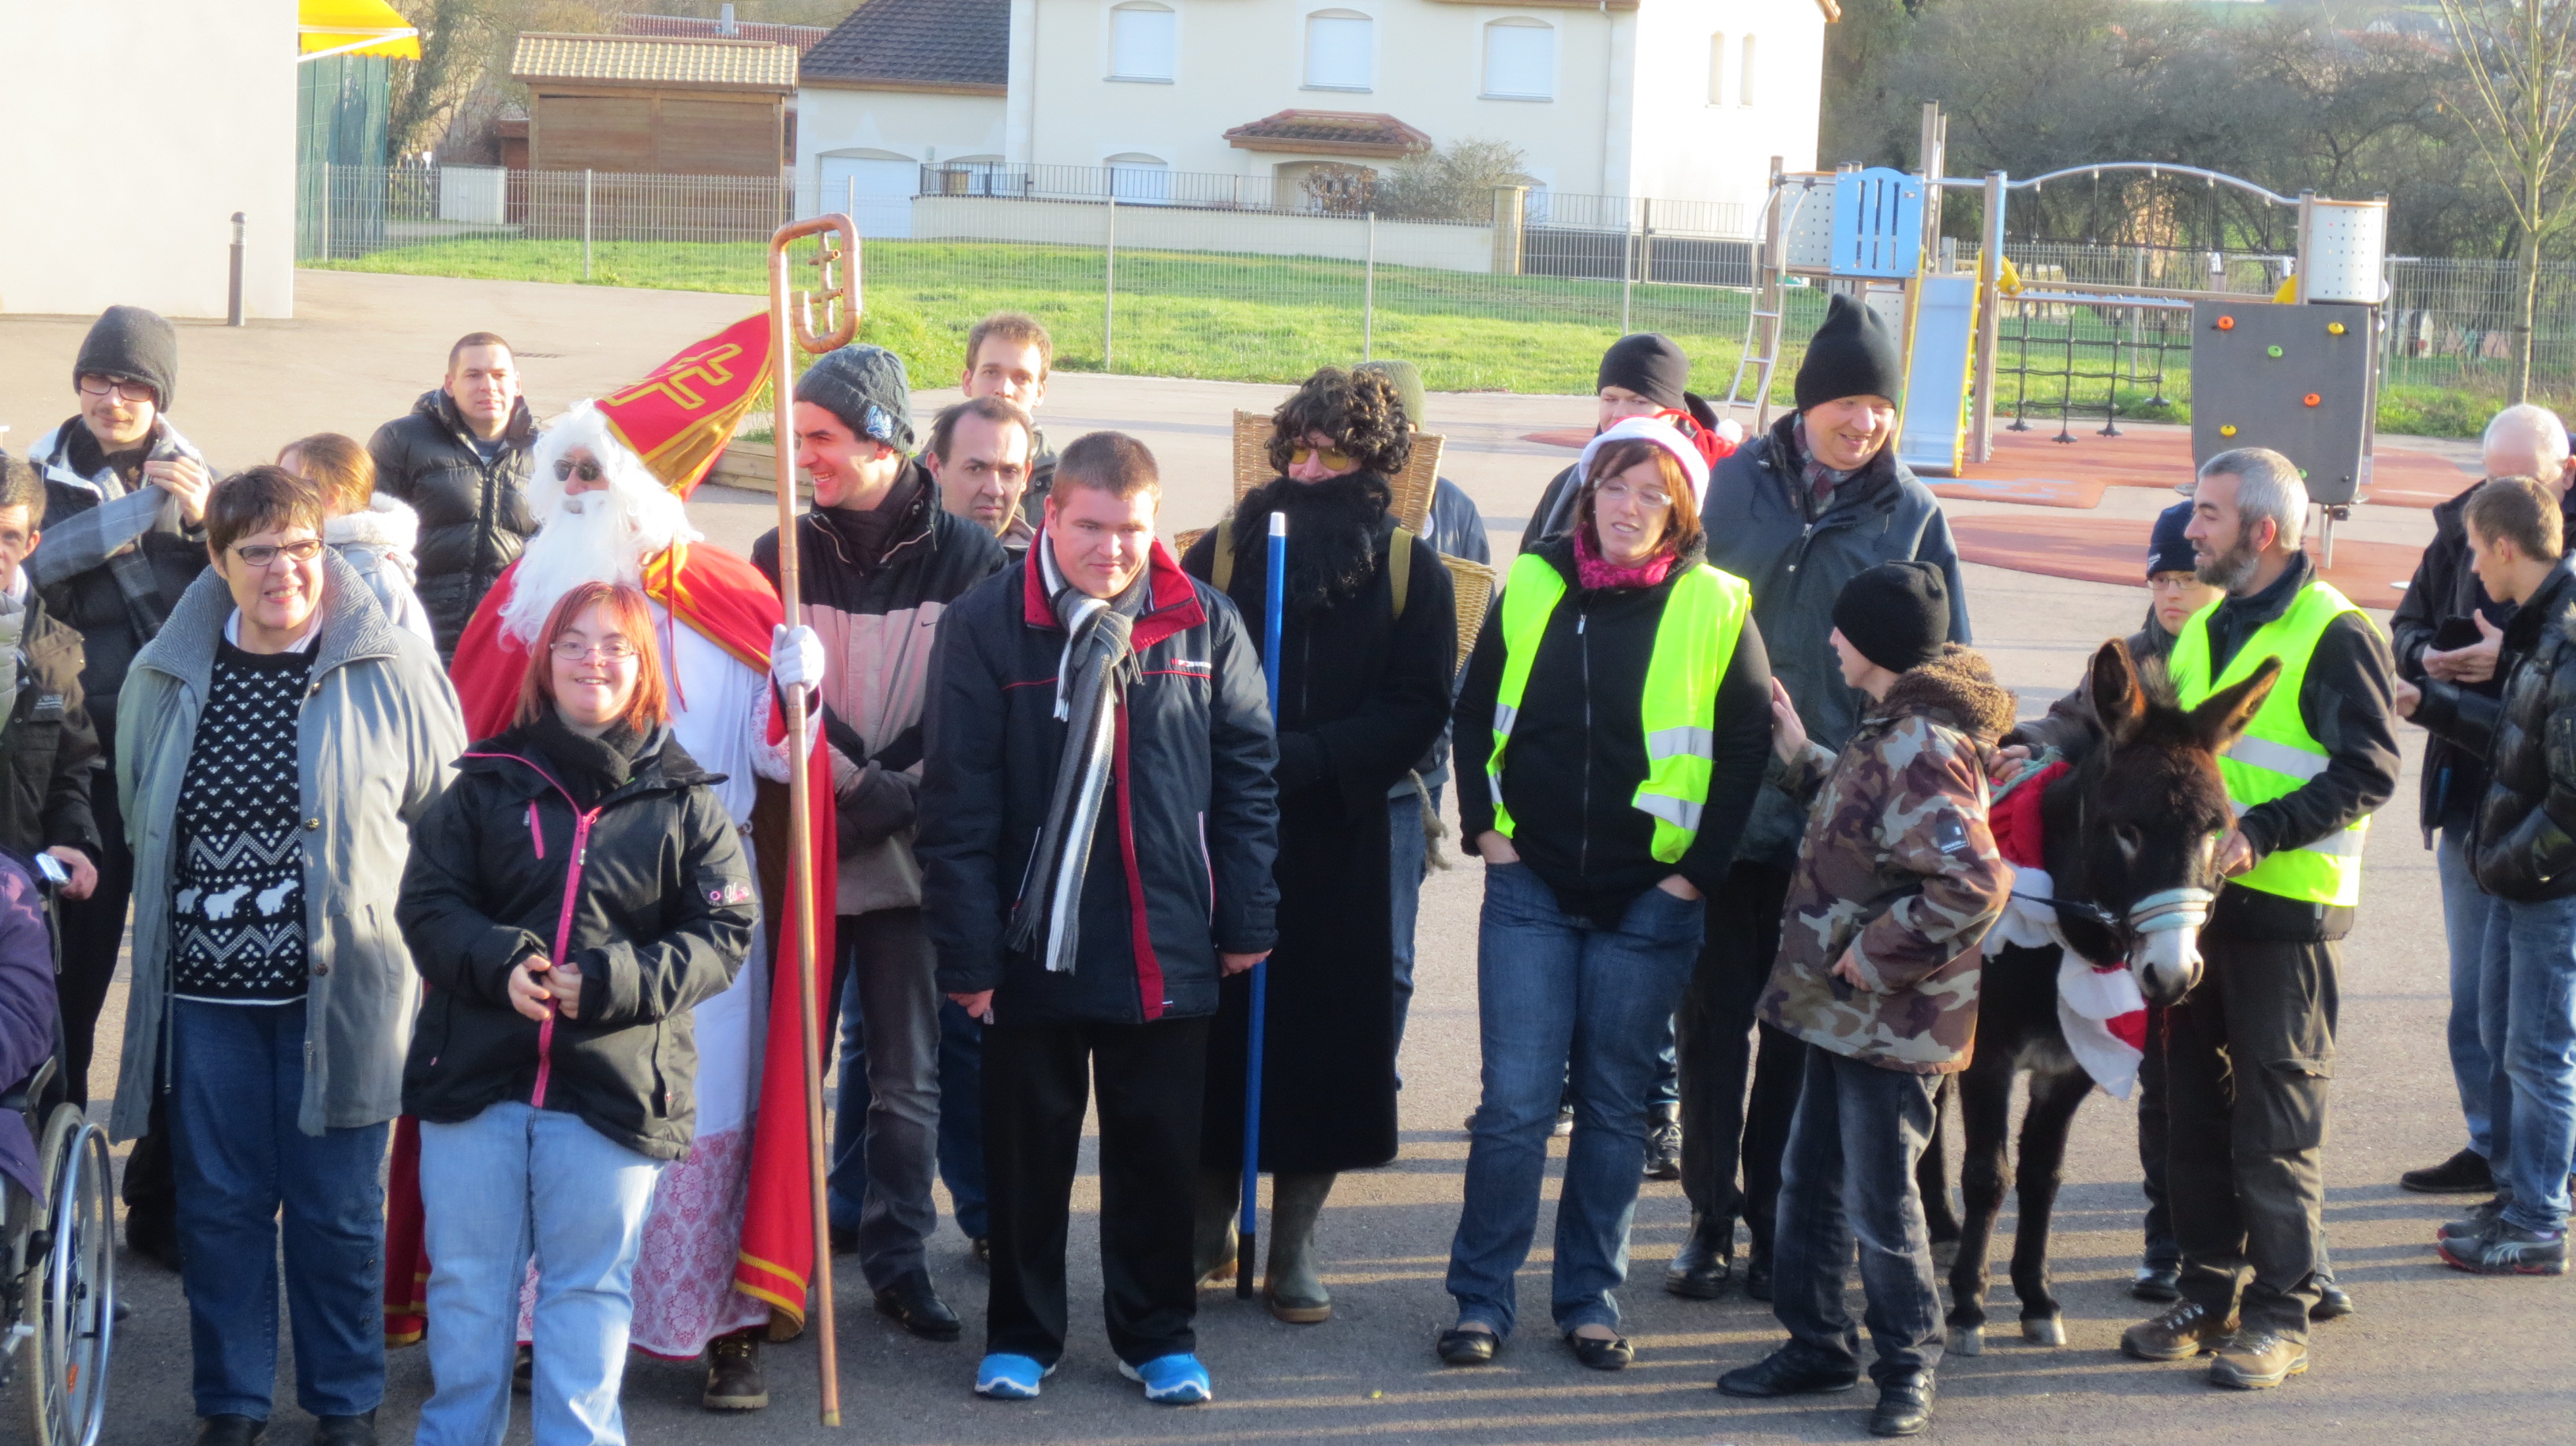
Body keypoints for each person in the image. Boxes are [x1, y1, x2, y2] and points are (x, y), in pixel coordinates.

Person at [407, 379, 834, 1410]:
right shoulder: (529, 599)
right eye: (570, 473)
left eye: (600, 470)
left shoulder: (740, 598)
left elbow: (783, 779)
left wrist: (799, 699)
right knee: (528, 1116)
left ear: (650, 484)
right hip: (538, 903)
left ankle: (724, 1323)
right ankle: (520, 1325)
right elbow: (472, 751)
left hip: (690, 895)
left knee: (703, 1111)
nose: (583, 489)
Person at [919, 431, 1279, 1405]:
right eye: (1091, 526)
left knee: (1156, 1153)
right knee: (1028, 1154)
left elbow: (1248, 778)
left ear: (1155, 523)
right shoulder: (983, 624)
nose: (1112, 550)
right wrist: (967, 950)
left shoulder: (1205, 622)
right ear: (1049, 516)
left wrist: (1247, 912)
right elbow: (956, 807)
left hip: (1167, 937)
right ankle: (1023, 1334)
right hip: (1030, 942)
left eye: (1131, 529)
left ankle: (1156, 1334)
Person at [111, 466, 466, 1446]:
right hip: (207, 994)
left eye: (302, 547)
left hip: (346, 992)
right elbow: (141, 802)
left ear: (328, 554)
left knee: (337, 1210)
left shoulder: (387, 666)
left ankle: (344, 1400)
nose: (283, 569)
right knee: (221, 1208)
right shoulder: (165, 674)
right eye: (257, 551)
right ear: (219, 562)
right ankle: (230, 1401)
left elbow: (445, 807)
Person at [1439, 418, 1770, 1372]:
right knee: (1515, 1106)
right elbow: (1473, 706)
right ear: (1588, 491)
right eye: (1615, 487)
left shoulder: (1715, 605)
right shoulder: (1536, 583)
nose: (1629, 508)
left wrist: (1692, 875)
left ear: (1681, 513)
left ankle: (1589, 1296)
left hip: (1651, 899)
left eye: (1653, 494)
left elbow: (1745, 749)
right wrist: (1485, 831)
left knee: (1619, 1106)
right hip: (1530, 882)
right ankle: (1480, 1299)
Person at [397, 581, 762, 1446]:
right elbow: (428, 903)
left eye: (615, 645)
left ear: (643, 668)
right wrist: (497, 962)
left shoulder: (685, 801)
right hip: (478, 1079)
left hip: (615, 1082)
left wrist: (610, 980)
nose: (593, 659)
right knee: (468, 1287)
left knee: (589, 1286)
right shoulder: (485, 784)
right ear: (545, 658)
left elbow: (725, 931)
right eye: (574, 641)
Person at [1672, 292, 1972, 1304]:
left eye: (1879, 407)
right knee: (1711, 1029)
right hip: (1721, 812)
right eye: (1847, 401)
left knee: (1799, 1040)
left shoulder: (1912, 512)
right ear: (1806, 402)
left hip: (1844, 832)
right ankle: (1709, 1220)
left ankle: (1775, 1227)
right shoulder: (1730, 486)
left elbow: (1953, 671)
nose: (1866, 422)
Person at [1180, 366, 1455, 1324]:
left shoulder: (1408, 569)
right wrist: (1238, 757)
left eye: (1329, 455)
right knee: (1215, 1026)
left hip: (1339, 830)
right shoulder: (1219, 551)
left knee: (1326, 1034)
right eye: (1294, 448)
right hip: (1226, 824)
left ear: (1374, 467)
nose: (1305, 468)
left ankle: (1293, 1240)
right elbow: (1175, 671)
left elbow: (1420, 703)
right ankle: (1208, 1223)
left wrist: (1310, 757)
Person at [2119, 448, 2398, 1390]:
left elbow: (2369, 769)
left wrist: (2263, 832)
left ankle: (2281, 1309)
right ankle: (2206, 1288)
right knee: (2193, 1112)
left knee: (2275, 1122)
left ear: (2261, 532)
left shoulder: (2334, 630)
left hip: (2286, 913)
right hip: (2197, 912)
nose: (2189, 529)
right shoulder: (2206, 625)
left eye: (2205, 514)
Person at [1717, 561, 2012, 1440]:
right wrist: (1803, 756)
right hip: (1847, 1018)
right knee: (1812, 1179)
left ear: (1873, 645)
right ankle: (1819, 1341)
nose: (1831, 643)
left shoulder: (1921, 744)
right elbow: (1866, 832)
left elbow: (1974, 882)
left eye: (1842, 632)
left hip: (1892, 1022)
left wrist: (1871, 957)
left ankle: (1908, 1360)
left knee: (1882, 1197)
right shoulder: (1889, 728)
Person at [769, 344, 1006, 1334]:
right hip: (808, 852)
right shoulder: (779, 549)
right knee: (784, 1071)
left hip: (909, 857)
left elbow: (968, 716)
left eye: (818, 437)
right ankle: (773, 1264)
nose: (802, 454)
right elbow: (774, 705)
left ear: (879, 439)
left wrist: (878, 792)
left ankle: (900, 1261)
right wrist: (846, 783)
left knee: (907, 1082)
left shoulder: (974, 558)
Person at [25, 305, 213, 1264]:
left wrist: (209, 518)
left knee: (184, 984)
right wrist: (143, 515)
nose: (115, 397)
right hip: (78, 767)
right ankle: (45, 1184)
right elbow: (38, 571)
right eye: (101, 379)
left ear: (161, 395)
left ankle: (161, 1199)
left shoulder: (206, 481)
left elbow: (227, 602)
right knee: (71, 979)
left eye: (135, 384)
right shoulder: (33, 475)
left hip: (178, 760)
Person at [2390, 404, 2575, 1197]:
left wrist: (2519, 649)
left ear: (2562, 473)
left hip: (2545, 825)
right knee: (2479, 1000)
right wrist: (2423, 657)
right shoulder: (2463, 528)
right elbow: (2405, 620)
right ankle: (2496, 1148)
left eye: (2523, 475)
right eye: (2493, 471)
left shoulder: (2555, 593)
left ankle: (2536, 1186)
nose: (2502, 488)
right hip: (2469, 789)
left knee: (2536, 1023)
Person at [1350, 360, 1491, 1070]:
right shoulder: (1309, 505)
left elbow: (1470, 641)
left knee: (1392, 953)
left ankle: (1375, 1083)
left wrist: (1432, 730)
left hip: (1411, 774)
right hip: (1325, 764)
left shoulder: (1456, 512)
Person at [368, 332, 538, 661]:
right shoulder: (400, 440)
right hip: (415, 640)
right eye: (473, 375)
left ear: (517, 384)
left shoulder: (546, 455)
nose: (487, 386)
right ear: (450, 384)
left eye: (499, 375)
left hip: (504, 645)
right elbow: (368, 537)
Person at [1517, 332, 1738, 553]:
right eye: (1610, 399)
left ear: (1674, 414)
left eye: (1639, 401)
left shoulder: (1720, 493)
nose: (1620, 414)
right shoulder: (1568, 485)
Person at [0, 456, 104, 908]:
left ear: (31, 543)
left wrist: (74, 842)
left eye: (8, 536)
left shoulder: (55, 652)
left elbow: (69, 774)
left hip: (17, 903)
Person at [279, 433, 436, 646]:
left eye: (289, 486)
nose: (275, 494)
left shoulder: (373, 574)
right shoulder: (283, 551)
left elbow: (412, 662)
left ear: (330, 496)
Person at [960, 312, 1058, 525]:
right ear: (968, 382)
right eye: (991, 372)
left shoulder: (1062, 486)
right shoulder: (922, 476)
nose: (1004, 389)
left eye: (1021, 378)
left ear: (1040, 393)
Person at [927, 395, 1039, 560]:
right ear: (936, 469)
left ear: (1025, 477)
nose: (994, 489)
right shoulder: (894, 557)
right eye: (976, 469)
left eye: (1009, 472)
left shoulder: (1050, 568)